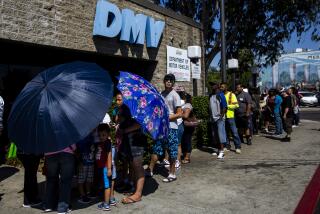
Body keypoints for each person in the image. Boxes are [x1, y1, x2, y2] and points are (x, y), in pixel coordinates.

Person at [147, 73, 182, 182]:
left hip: (172, 127)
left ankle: (172, 173)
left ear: (173, 83)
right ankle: (150, 170)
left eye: (171, 81)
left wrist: (167, 118)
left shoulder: (175, 95)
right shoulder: (161, 94)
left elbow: (179, 113)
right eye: (167, 80)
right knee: (157, 148)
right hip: (161, 127)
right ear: (164, 81)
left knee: (172, 150)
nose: (168, 82)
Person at [119, 105, 146, 204]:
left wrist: (125, 130)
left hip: (136, 140)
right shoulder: (127, 104)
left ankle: (138, 194)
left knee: (137, 166)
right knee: (133, 165)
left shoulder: (140, 105)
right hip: (128, 140)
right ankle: (135, 189)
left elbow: (141, 123)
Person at [44, 144, 76, 213]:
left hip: (49, 153)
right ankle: (62, 207)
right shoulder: (67, 132)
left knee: (50, 180)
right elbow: (73, 142)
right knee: (65, 181)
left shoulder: (46, 132)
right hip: (67, 153)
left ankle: (49, 205)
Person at [96, 124, 114, 211]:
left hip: (106, 168)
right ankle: (107, 201)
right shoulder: (102, 143)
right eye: (99, 135)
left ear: (108, 134)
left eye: (103, 135)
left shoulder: (107, 143)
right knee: (106, 185)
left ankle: (106, 204)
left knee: (107, 186)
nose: (101, 137)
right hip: (102, 167)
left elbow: (109, 155)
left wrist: (109, 169)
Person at [220, 83, 242, 153]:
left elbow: (236, 105)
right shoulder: (220, 95)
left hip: (230, 116)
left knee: (234, 132)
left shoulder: (231, 95)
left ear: (226, 87)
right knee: (225, 132)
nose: (221, 88)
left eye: (222, 87)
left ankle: (238, 147)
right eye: (220, 87)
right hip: (223, 116)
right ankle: (227, 146)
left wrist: (227, 106)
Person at [209, 82, 228, 159]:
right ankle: (218, 149)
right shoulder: (210, 95)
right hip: (212, 118)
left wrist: (221, 116)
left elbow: (225, 107)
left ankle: (222, 151)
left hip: (219, 118)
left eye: (213, 85)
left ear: (217, 86)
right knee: (215, 135)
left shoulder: (221, 95)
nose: (212, 87)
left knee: (221, 135)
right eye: (211, 85)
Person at [76, 133, 95, 204]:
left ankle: (88, 192)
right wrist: (79, 162)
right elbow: (77, 151)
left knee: (89, 179)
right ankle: (82, 195)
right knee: (81, 180)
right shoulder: (79, 136)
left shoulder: (91, 136)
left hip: (91, 161)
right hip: (82, 162)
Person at [180, 93, 195, 164]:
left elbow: (186, 116)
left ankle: (187, 157)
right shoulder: (184, 105)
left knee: (187, 140)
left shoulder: (188, 105)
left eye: (183, 97)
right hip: (185, 126)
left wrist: (178, 114)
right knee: (184, 141)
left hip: (188, 126)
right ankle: (185, 155)